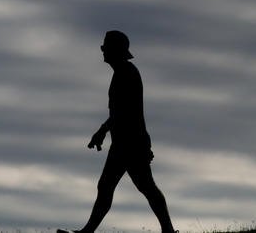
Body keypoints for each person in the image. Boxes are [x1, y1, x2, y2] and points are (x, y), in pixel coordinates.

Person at [61, 30, 176, 233]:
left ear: (116, 50)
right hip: (124, 142)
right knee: (113, 187)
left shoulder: (127, 73)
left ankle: (167, 230)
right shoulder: (122, 73)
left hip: (130, 143)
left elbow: (125, 112)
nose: (103, 50)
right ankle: (88, 231)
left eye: (106, 46)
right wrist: (104, 131)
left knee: (142, 187)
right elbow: (120, 113)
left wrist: (102, 131)